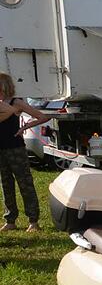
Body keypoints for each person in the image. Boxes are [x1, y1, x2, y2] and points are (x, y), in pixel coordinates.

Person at [0, 73, 50, 232]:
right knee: (6, 184)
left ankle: (33, 221)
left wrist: (24, 127)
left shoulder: (16, 102)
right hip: (0, 150)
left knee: (25, 183)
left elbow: (42, 117)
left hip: (15, 149)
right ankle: (10, 220)